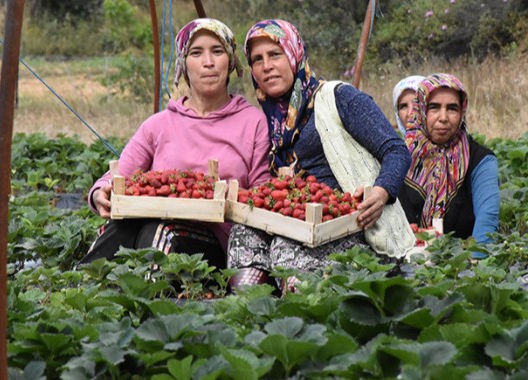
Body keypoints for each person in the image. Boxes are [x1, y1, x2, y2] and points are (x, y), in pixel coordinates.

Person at [227, 19, 413, 290]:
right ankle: (249, 313)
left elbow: (395, 150)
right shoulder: (268, 121)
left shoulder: (338, 97)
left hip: (352, 224)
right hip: (296, 219)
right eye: (257, 59)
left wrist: (381, 192)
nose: (266, 66)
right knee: (242, 235)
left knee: (286, 246)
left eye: (275, 54)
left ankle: (305, 319)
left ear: (294, 54)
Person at [78, 18, 272, 269]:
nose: (208, 62)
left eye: (217, 51)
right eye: (196, 53)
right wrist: (100, 194)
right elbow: (117, 176)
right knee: (122, 227)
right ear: (183, 64)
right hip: (152, 226)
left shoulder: (253, 123)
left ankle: (148, 303)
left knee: (159, 231)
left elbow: (262, 194)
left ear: (231, 61)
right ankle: (84, 291)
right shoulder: (159, 124)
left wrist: (227, 199)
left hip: (216, 242)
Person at [398, 73, 499, 254]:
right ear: (420, 111)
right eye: (434, 108)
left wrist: (476, 267)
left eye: (452, 108)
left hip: (460, 266)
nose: (443, 117)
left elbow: (487, 220)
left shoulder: (480, 161)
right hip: (401, 265)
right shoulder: (398, 159)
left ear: (462, 112)